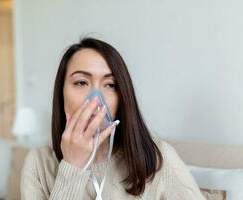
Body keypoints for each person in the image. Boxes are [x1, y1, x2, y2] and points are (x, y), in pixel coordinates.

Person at [21, 37, 206, 200]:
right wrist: (72, 167)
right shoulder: (39, 164)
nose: (95, 99)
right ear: (61, 94)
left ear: (122, 97)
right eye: (81, 82)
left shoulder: (158, 157)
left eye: (110, 84)